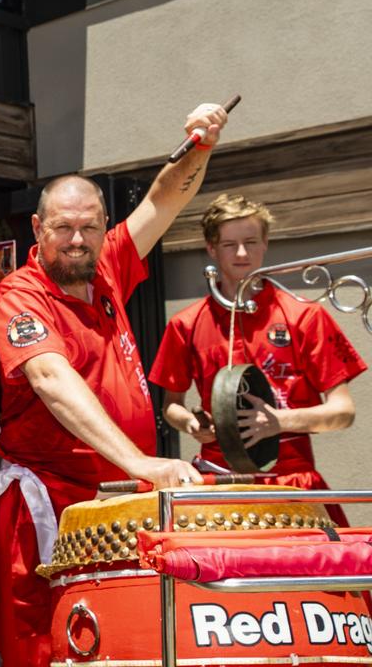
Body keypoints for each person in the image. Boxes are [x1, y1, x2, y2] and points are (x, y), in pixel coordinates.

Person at [0, 102, 230, 667]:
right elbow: (51, 378)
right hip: (51, 505)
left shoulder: (109, 264)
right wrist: (141, 462)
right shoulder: (21, 292)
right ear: (38, 228)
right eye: (63, 227)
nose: (77, 239)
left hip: (115, 501)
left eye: (90, 226)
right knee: (44, 646)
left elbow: (164, 199)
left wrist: (201, 144)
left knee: (120, 642)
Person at [148, 193, 366, 525]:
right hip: (218, 482)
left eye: (251, 242)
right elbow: (171, 406)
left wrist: (278, 422)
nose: (241, 253)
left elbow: (343, 412)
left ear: (265, 244)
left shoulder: (304, 315)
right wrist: (192, 424)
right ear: (211, 248)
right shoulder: (186, 324)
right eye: (229, 244)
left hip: (292, 481)